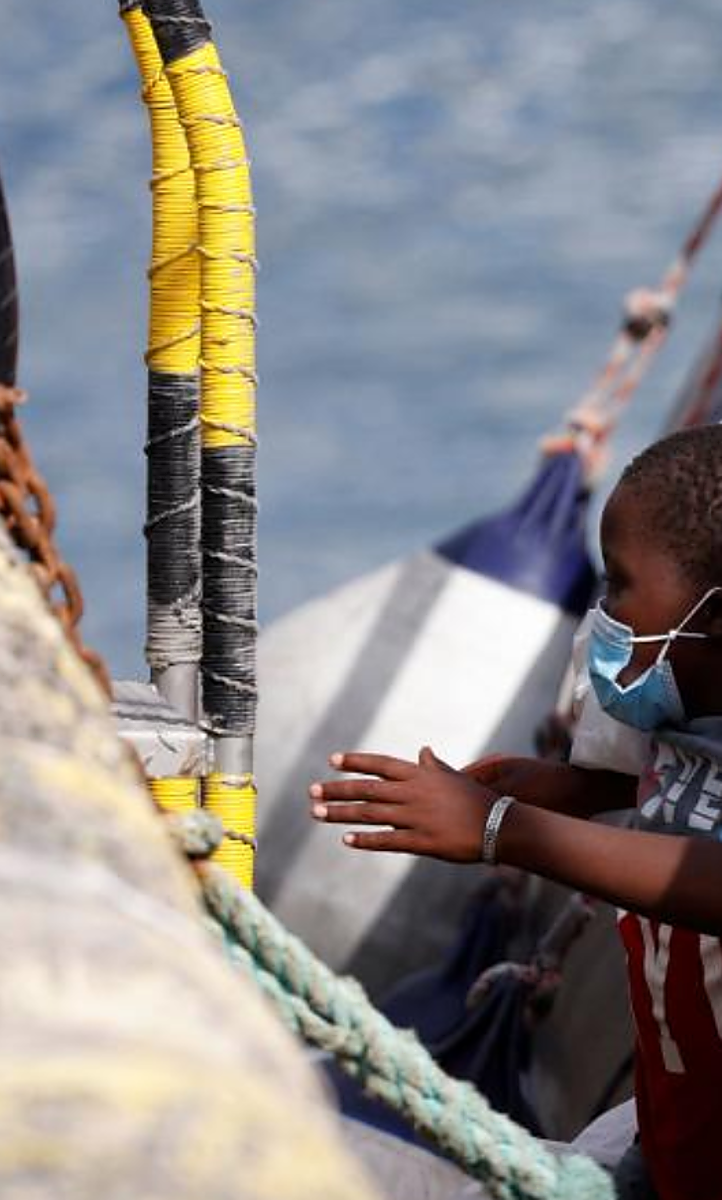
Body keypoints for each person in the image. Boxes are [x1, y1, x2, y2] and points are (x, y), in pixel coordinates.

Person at [309, 424, 722, 1200]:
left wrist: (505, 831)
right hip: (671, 1139)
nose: (603, 614)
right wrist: (547, 788)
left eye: (621, 586)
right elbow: (659, 791)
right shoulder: (680, 712)